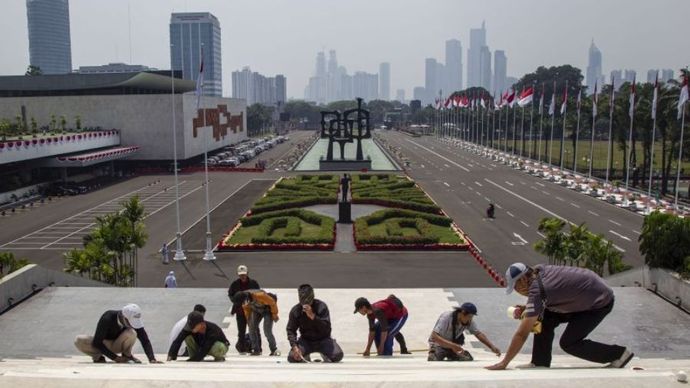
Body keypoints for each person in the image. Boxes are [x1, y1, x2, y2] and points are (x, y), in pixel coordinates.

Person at [487, 262, 634, 370]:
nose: (517, 292)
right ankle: (540, 362)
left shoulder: (538, 291)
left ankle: (618, 354)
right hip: (587, 292)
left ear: (523, 280)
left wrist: (504, 363)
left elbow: (522, 334)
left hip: (598, 303)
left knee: (569, 343)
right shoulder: (539, 270)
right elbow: (557, 290)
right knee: (544, 318)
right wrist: (529, 308)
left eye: (516, 287)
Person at [74, 304, 162, 364]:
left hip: (118, 344)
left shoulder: (133, 321)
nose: (132, 324)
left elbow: (144, 340)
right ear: (123, 317)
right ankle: (98, 357)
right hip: (105, 344)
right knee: (79, 340)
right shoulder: (107, 318)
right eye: (130, 322)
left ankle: (127, 355)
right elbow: (97, 342)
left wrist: (152, 358)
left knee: (132, 332)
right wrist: (115, 358)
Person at [286, 284, 343, 363]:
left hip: (323, 339)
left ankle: (325, 352)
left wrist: (313, 316)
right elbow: (291, 330)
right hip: (306, 341)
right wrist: (295, 347)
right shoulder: (296, 310)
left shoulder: (321, 306)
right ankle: (305, 355)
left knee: (337, 355)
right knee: (292, 357)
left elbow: (327, 329)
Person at [428, 302, 501, 361]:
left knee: (467, 358)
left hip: (453, 345)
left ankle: (451, 353)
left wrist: (492, 347)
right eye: (469, 316)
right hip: (439, 343)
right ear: (462, 312)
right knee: (435, 358)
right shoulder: (446, 317)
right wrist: (453, 346)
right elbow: (434, 336)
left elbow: (478, 334)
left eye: (471, 317)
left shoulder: (469, 321)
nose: (470, 319)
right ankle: (433, 352)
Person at [233, 289, 280, 356]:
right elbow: (247, 311)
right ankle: (256, 350)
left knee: (267, 331)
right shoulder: (244, 302)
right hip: (256, 310)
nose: (243, 303)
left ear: (246, 297)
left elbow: (272, 302)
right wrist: (249, 320)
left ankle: (274, 349)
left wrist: (274, 314)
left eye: (243, 301)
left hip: (267, 309)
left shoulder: (260, 295)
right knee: (251, 329)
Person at [227, 264, 260, 354]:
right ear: (238, 274)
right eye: (241, 275)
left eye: (244, 274)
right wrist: (236, 300)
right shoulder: (235, 284)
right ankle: (242, 349)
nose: (242, 276)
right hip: (240, 311)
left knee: (254, 330)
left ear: (247, 273)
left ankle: (258, 348)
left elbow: (259, 294)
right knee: (241, 331)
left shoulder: (254, 283)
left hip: (251, 311)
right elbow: (230, 294)